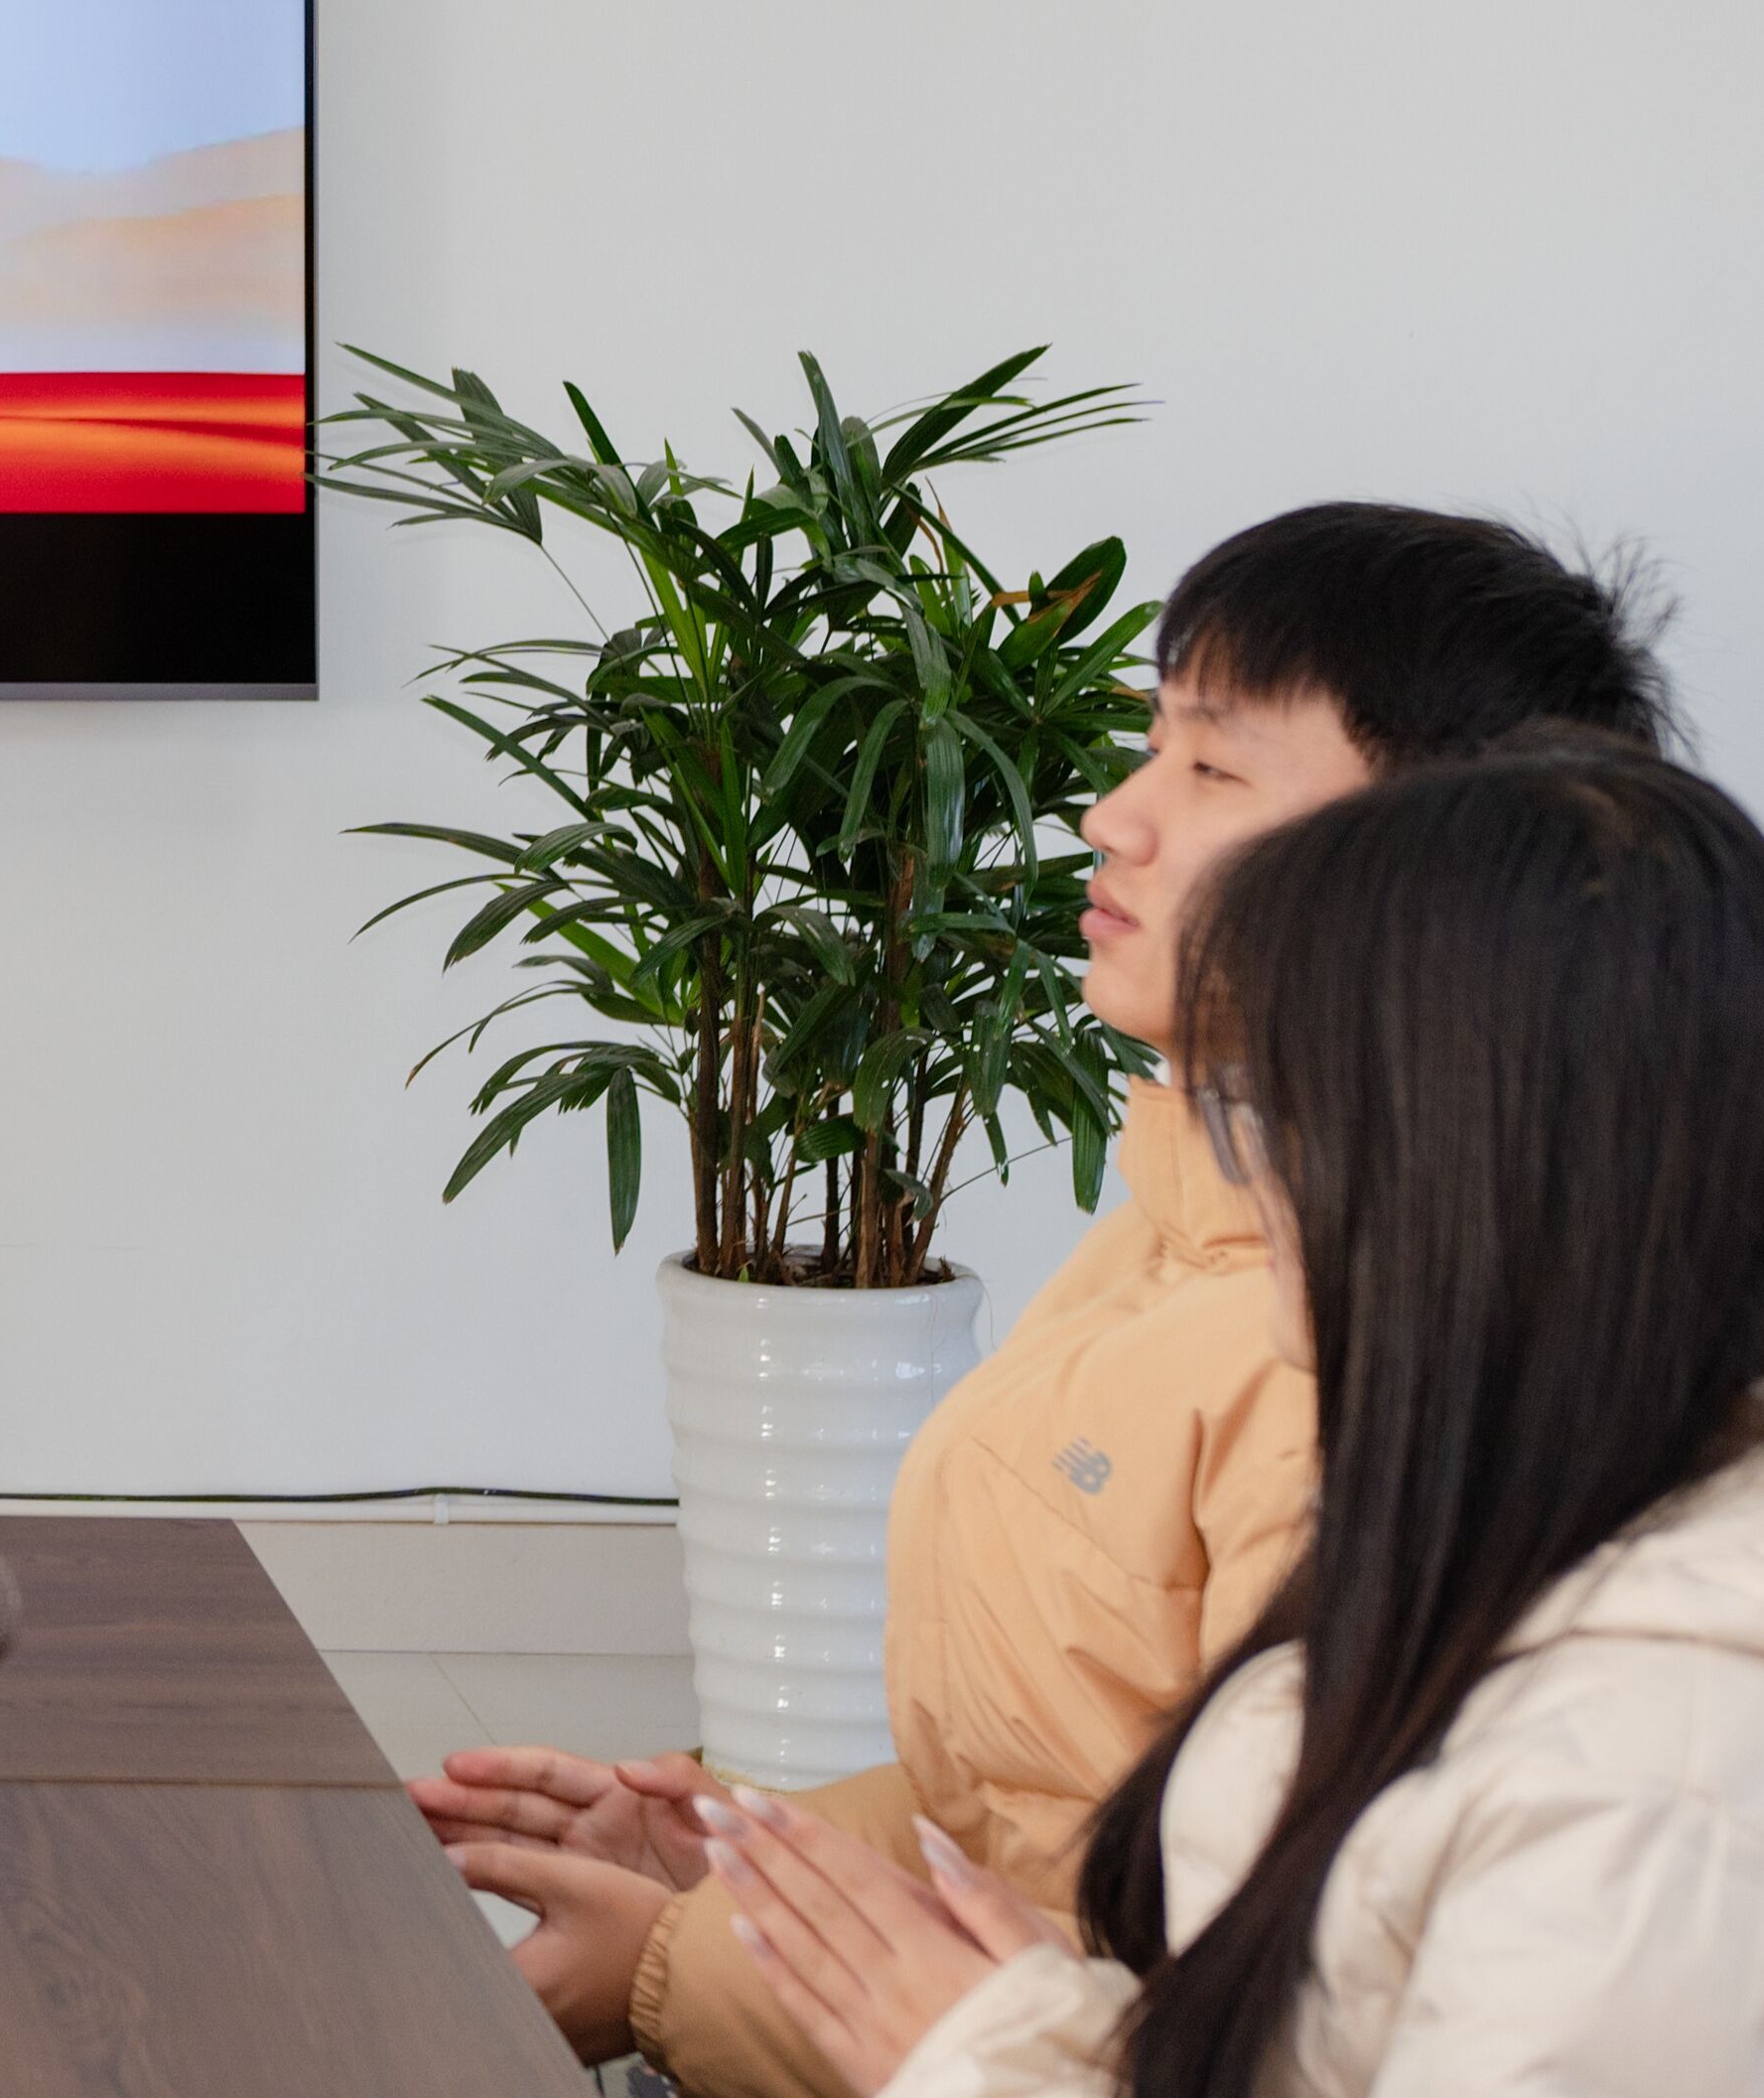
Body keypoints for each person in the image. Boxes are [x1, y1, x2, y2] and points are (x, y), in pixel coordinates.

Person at [421, 504, 1670, 2089]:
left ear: (1443, 863)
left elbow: (1255, 2004)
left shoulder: (1371, 1351)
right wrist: (744, 1856)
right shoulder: (1178, 1215)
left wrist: (681, 1962)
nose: (1112, 815)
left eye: (1212, 768)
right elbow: (1038, 1799)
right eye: (1152, 746)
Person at [705, 739, 1764, 2095]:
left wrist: (986, 2056)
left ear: (1465, 1169)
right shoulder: (1504, 1513)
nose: (1116, 816)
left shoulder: (1657, 1791)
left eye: (1278, 1105)